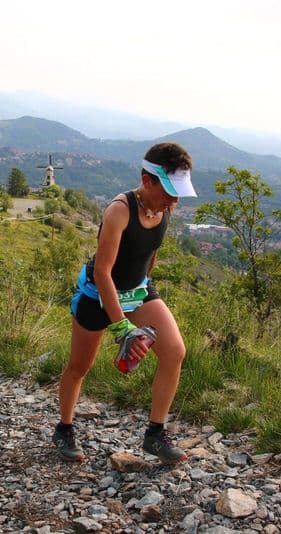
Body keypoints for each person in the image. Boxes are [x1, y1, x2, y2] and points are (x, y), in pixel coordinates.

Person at [54, 142, 197, 464]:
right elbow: (103, 272)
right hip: (97, 294)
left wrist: (143, 290)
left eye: (179, 192)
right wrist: (122, 327)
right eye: (170, 190)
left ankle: (155, 434)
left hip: (136, 290)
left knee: (175, 351)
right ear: (147, 181)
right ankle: (64, 428)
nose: (175, 199)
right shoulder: (119, 210)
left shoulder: (165, 208)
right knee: (79, 366)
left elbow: (149, 254)